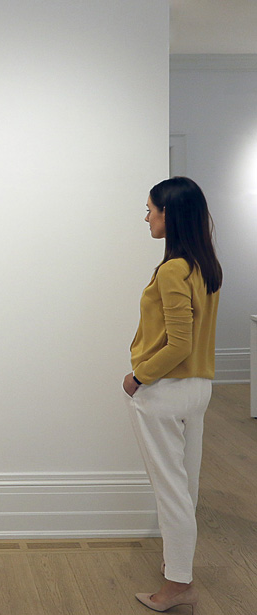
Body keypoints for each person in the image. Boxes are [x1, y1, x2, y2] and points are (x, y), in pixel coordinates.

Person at [123, 176, 222, 614]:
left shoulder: (171, 269)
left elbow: (178, 343)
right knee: (187, 486)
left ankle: (177, 585)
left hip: (165, 391)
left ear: (170, 214)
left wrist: (139, 376)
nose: (146, 216)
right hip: (198, 389)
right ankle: (178, 571)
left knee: (171, 491)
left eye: (150, 209)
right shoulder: (205, 266)